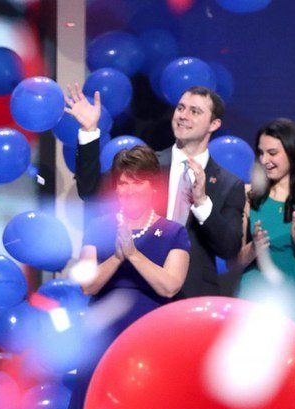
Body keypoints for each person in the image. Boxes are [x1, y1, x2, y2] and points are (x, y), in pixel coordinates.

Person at [63, 146, 191, 409]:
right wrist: (118, 257)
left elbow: (170, 285)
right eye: (122, 183)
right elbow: (87, 284)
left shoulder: (173, 232)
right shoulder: (99, 227)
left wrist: (134, 254)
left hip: (150, 346)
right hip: (103, 342)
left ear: (153, 187)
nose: (128, 190)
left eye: (137, 182)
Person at [65, 84, 243, 299]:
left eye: (194, 111)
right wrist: (89, 131)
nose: (183, 116)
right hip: (140, 291)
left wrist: (202, 202)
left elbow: (230, 249)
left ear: (214, 124)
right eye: (180, 108)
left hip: (192, 297)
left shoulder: (228, 184)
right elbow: (90, 191)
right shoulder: (147, 166)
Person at [233, 118, 295, 330]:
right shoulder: (248, 195)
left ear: (292, 152)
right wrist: (255, 247)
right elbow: (237, 260)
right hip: (257, 293)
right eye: (260, 153)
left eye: (272, 153)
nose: (264, 160)